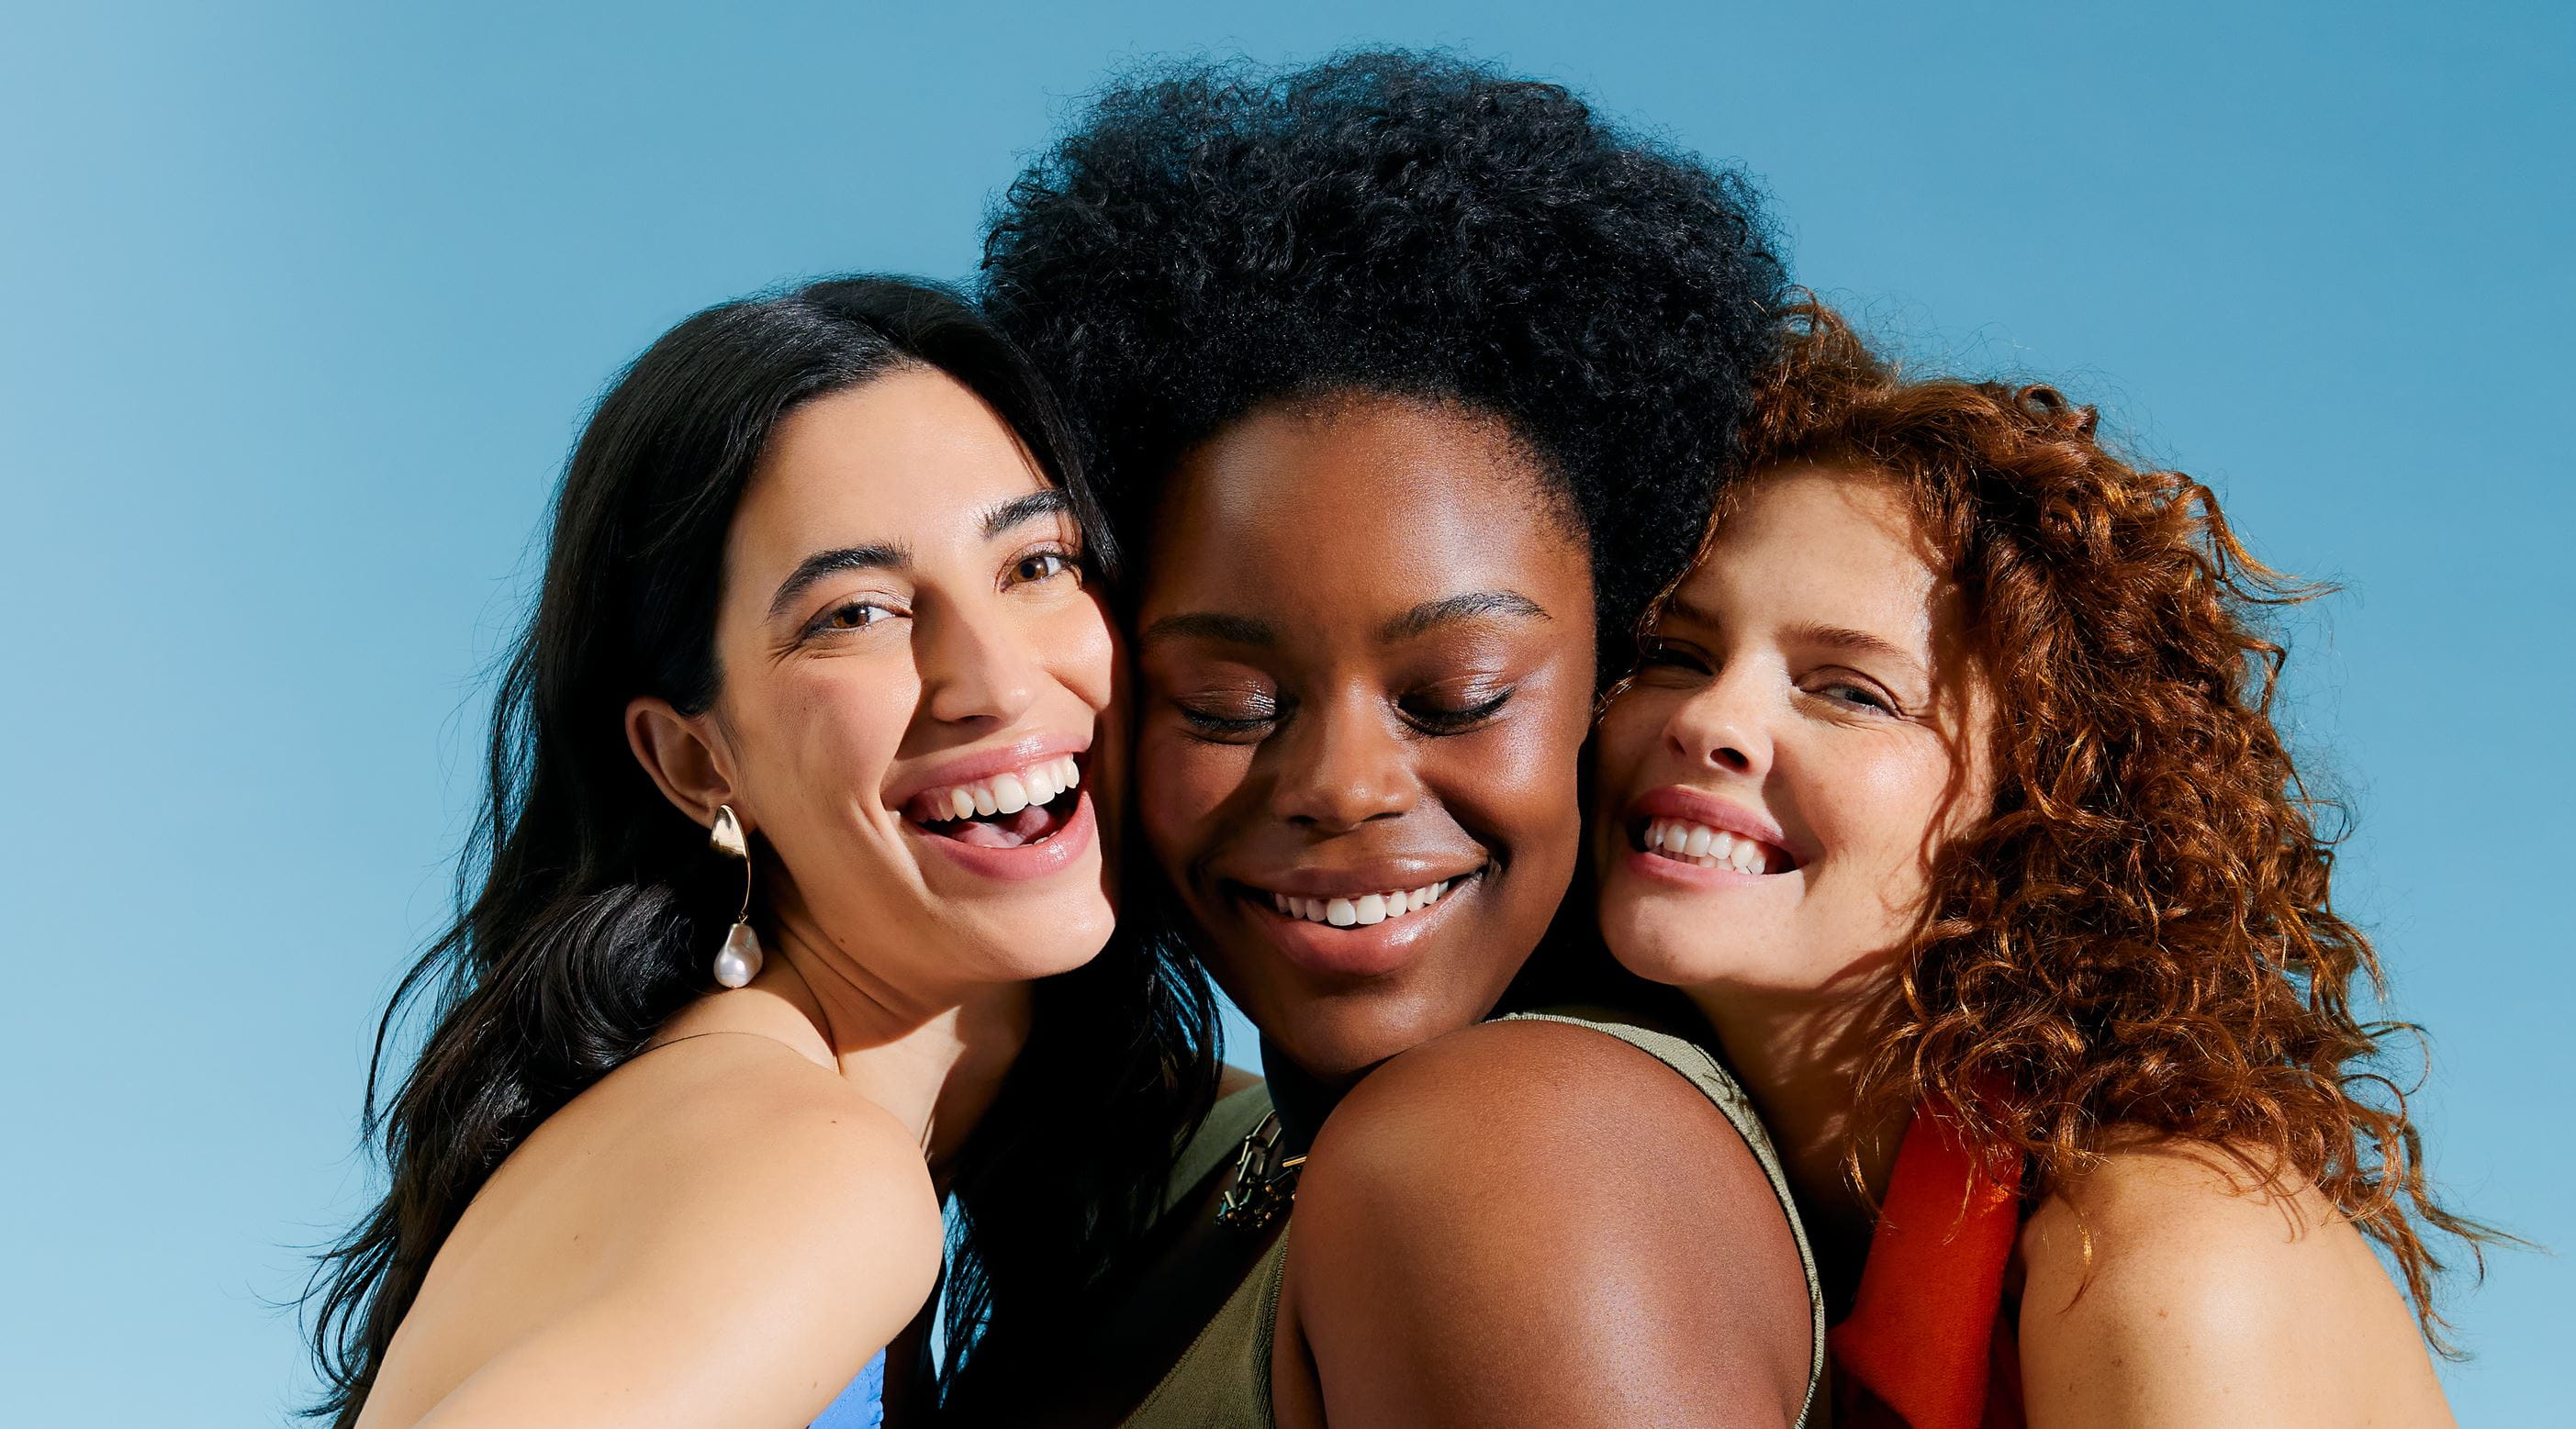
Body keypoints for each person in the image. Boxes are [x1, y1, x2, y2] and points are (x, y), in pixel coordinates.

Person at [960, 53, 1821, 1427]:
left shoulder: (1514, 1159)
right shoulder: (1201, 1157)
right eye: (1228, 706)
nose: (1343, 788)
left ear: (1614, 680)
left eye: (1458, 695)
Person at [303, 278, 1213, 1427]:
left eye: (1034, 564)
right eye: (856, 613)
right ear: (695, 762)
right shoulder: (812, 1173)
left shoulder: (784, 1121)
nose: (994, 682)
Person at [1592, 301, 2489, 1427]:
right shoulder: (1686, 1207)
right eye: (1675, 652)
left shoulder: (2162, 1263)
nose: (1710, 718)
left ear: (2037, 806)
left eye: (1848, 690)